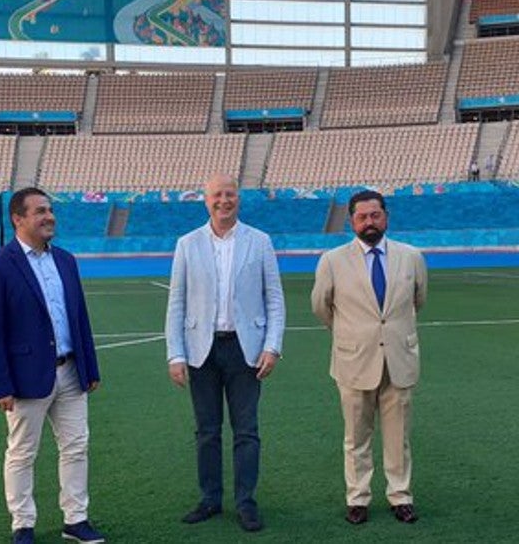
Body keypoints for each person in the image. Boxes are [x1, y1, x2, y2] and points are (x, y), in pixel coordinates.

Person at [0, 188, 106, 544]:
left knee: (76, 446)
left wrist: (90, 367)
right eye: (40, 211)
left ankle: (75, 519)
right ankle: (22, 524)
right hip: (25, 377)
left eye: (50, 210)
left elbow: (79, 317)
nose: (49, 217)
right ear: (18, 219)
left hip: (71, 371)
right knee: (22, 453)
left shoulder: (65, 260)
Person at [165, 173, 286, 533]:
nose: (224, 201)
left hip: (246, 350)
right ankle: (210, 499)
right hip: (201, 350)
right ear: (206, 200)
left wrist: (272, 346)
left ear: (238, 199)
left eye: (230, 194)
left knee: (247, 430)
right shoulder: (187, 244)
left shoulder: (259, 241)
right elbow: (177, 302)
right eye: (217, 195)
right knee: (207, 431)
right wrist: (175, 354)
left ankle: (246, 502)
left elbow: (274, 298)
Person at [311, 190, 428, 526]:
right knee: (356, 437)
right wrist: (354, 334)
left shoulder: (411, 257)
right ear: (352, 222)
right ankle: (358, 497)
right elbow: (321, 306)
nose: (369, 222)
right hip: (354, 360)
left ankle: (400, 496)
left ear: (386, 217)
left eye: (375, 215)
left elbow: (418, 300)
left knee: (398, 437)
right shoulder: (332, 261)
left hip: (399, 359)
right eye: (362, 217)